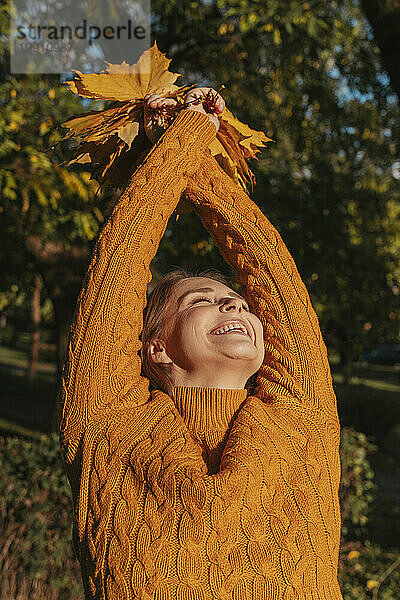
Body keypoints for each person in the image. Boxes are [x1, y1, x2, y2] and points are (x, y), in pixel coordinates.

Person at [59, 87, 343, 599]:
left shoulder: (301, 420)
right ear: (156, 348)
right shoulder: (112, 424)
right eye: (201, 301)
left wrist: (192, 146)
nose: (237, 305)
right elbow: (118, 267)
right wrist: (182, 141)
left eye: (238, 300)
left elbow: (270, 274)